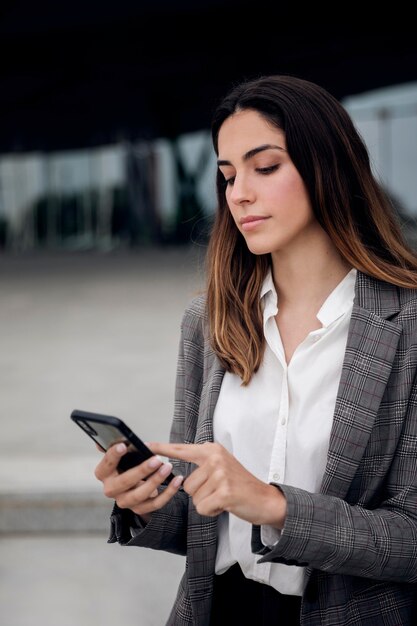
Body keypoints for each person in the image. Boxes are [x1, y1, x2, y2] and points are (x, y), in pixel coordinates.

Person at [94, 74, 417, 625]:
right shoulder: (209, 322)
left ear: (327, 168)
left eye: (264, 167)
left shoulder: (405, 328)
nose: (239, 192)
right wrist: (144, 502)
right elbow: (204, 526)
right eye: (227, 174)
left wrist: (275, 506)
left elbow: (409, 538)